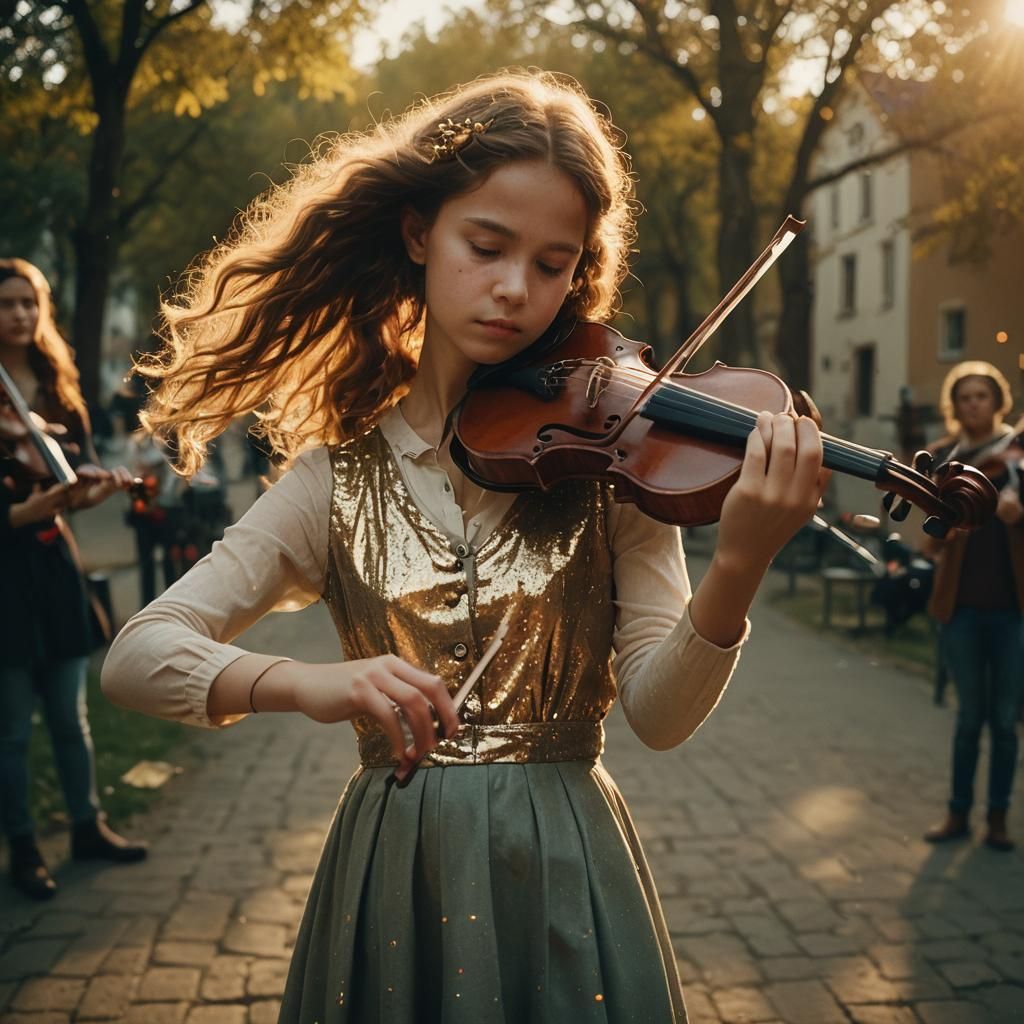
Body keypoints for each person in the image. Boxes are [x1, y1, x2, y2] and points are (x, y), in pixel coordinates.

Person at [102, 71, 828, 1021]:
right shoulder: (337, 477)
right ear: (419, 234)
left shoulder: (613, 459)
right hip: (398, 872)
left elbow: (656, 716)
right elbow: (136, 658)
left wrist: (737, 567)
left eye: (551, 263)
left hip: (566, 864)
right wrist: (313, 684)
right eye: (486, 246)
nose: (514, 289)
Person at [0, 258, 149, 902]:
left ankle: (87, 825)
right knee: (10, 727)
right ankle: (24, 846)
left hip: (56, 563)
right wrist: (17, 512)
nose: (20, 315)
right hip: (5, 571)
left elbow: (77, 474)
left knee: (70, 713)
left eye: (29, 303)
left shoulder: (58, 386)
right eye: (7, 304)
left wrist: (92, 492)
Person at [923, 360, 1024, 852]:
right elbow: (928, 544)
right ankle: (957, 814)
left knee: (1005, 721)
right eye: (964, 397)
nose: (973, 404)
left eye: (982, 395)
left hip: (1014, 610)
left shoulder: (1020, 454)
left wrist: (1017, 517)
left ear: (998, 401)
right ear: (954, 406)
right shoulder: (944, 460)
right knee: (968, 720)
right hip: (959, 606)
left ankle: (999, 818)